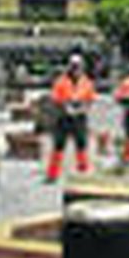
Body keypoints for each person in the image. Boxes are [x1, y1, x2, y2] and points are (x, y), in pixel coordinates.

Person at [45, 53, 97, 182]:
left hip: (80, 116)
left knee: (81, 144)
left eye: (78, 67)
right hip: (64, 117)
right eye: (73, 67)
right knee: (59, 145)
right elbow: (55, 99)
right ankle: (52, 174)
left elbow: (90, 99)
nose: (75, 70)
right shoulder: (61, 82)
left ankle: (83, 170)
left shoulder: (87, 82)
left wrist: (81, 108)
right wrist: (65, 108)